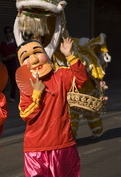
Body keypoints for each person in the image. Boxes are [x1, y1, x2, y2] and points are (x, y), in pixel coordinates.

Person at [16, 38, 88, 176]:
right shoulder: (25, 85)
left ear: (46, 54)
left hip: (63, 145)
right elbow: (26, 115)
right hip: (35, 149)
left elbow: (82, 79)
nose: (34, 60)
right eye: (26, 57)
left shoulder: (60, 75)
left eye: (37, 52)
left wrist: (69, 55)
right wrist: (37, 93)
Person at [0, 26, 18, 101]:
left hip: (13, 62)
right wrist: (4, 57)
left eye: (9, 32)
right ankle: (2, 96)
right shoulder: (3, 44)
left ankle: (12, 96)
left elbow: (17, 53)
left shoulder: (15, 43)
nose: (8, 34)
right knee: (3, 79)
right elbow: (1, 53)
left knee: (13, 80)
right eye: (6, 32)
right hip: (5, 62)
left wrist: (12, 55)